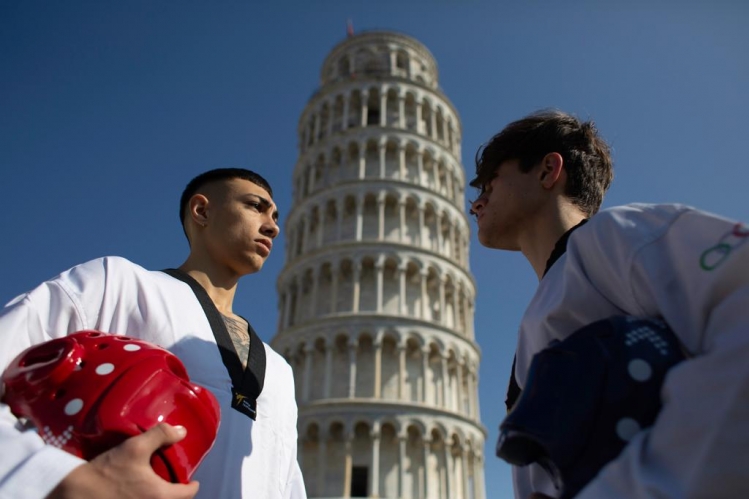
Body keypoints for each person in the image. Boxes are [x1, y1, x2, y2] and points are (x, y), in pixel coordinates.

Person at [469, 110, 749, 499]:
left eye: (488, 184)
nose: (475, 204)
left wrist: (651, 483)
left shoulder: (614, 237)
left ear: (548, 169)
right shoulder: (538, 315)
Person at [0, 168, 307, 499]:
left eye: (275, 215)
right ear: (202, 211)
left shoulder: (280, 370)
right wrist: (55, 477)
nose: (273, 226)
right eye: (254, 206)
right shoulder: (119, 284)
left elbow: (288, 485)